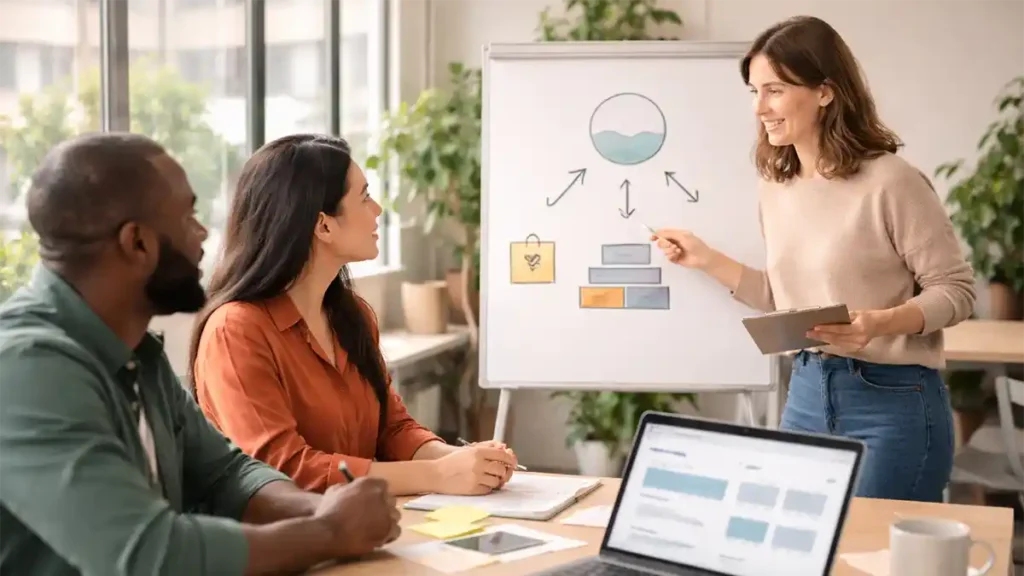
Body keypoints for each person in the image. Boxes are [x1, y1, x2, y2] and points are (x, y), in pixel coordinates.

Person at [0, 133, 401, 576]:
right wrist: (329, 531)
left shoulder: (135, 354)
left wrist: (323, 509)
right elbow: (150, 554)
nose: (203, 232)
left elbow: (227, 474)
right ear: (138, 243)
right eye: (188, 216)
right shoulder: (27, 368)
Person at [652, 16, 975, 503]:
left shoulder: (892, 182)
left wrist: (881, 322)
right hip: (805, 392)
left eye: (775, 90)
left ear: (825, 92)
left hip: (892, 404)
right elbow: (786, 298)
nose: (759, 107)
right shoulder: (777, 187)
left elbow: (956, 290)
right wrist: (705, 259)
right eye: (754, 90)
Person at [189, 133, 517, 497]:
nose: (377, 210)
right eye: (364, 197)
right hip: (280, 544)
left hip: (358, 528)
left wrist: (463, 461)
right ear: (323, 225)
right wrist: (437, 475)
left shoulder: (352, 315)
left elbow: (391, 429)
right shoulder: (235, 330)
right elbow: (283, 469)